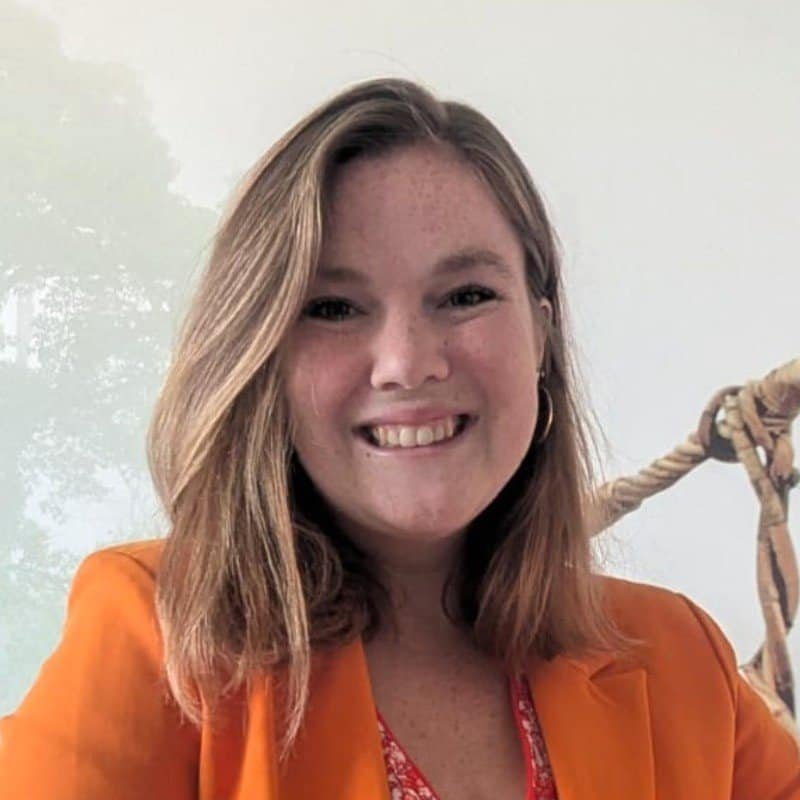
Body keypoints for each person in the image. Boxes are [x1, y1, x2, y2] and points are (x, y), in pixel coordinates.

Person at [1, 77, 797, 800]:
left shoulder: (678, 659)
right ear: (261, 355)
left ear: (541, 335)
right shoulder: (158, 638)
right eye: (333, 308)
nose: (408, 363)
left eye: (466, 295)